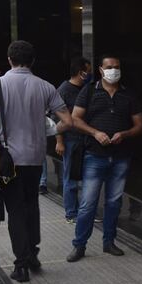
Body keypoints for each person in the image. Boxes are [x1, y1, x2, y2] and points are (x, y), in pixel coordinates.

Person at [0, 40, 73, 283]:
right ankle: (33, 252)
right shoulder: (46, 86)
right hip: (36, 157)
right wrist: (49, 131)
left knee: (16, 210)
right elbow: (68, 121)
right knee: (32, 205)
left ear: (9, 60)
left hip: (8, 161)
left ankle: (21, 264)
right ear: (32, 61)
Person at [66, 54, 142, 262]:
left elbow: (139, 125)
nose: (113, 70)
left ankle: (109, 242)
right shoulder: (90, 91)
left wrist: (124, 134)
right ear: (100, 70)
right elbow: (74, 119)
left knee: (114, 202)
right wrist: (95, 133)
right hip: (94, 155)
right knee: (87, 203)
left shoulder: (128, 95)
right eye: (109, 67)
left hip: (121, 156)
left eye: (117, 66)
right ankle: (79, 245)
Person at [55, 57, 91, 222]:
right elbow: (56, 119)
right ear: (80, 72)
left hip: (85, 139)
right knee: (70, 177)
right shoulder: (64, 90)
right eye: (87, 71)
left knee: (85, 178)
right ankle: (71, 213)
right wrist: (59, 141)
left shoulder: (85, 88)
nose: (89, 74)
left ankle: (84, 211)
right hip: (70, 139)